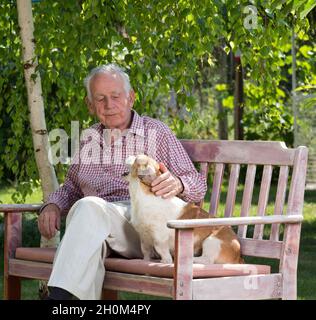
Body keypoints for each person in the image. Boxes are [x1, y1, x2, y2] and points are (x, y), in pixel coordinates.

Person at [37, 63, 207, 300]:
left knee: (89, 208)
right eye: (100, 98)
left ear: (131, 98)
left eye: (116, 96)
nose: (109, 105)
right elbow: (71, 188)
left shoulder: (156, 132)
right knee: (89, 229)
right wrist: (52, 205)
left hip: (144, 229)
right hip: (97, 229)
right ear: (90, 105)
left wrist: (178, 184)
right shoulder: (89, 140)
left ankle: (56, 300)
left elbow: (197, 184)